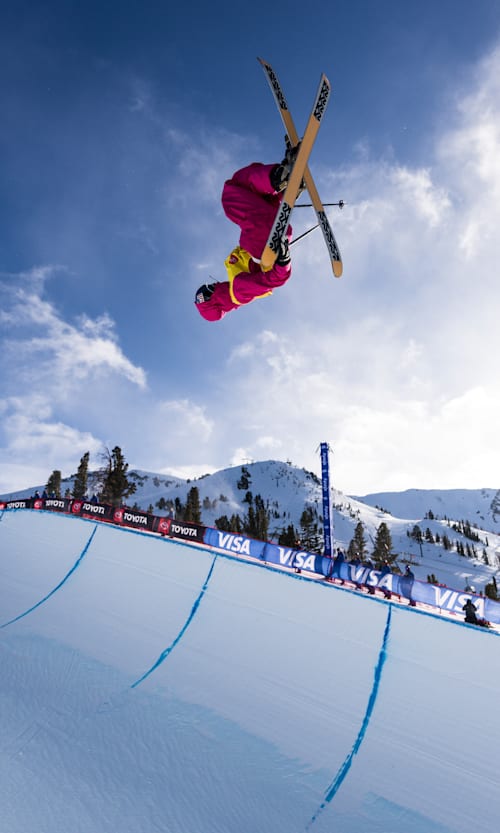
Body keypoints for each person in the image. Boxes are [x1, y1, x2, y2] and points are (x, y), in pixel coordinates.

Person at [195, 147, 300, 322]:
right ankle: (278, 179)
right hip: (265, 247)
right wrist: (283, 263)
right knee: (230, 197)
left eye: (207, 286)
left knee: (243, 190)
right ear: (214, 301)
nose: (212, 286)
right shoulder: (238, 291)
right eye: (208, 292)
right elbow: (270, 281)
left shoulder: (235, 277)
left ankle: (280, 180)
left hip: (265, 237)